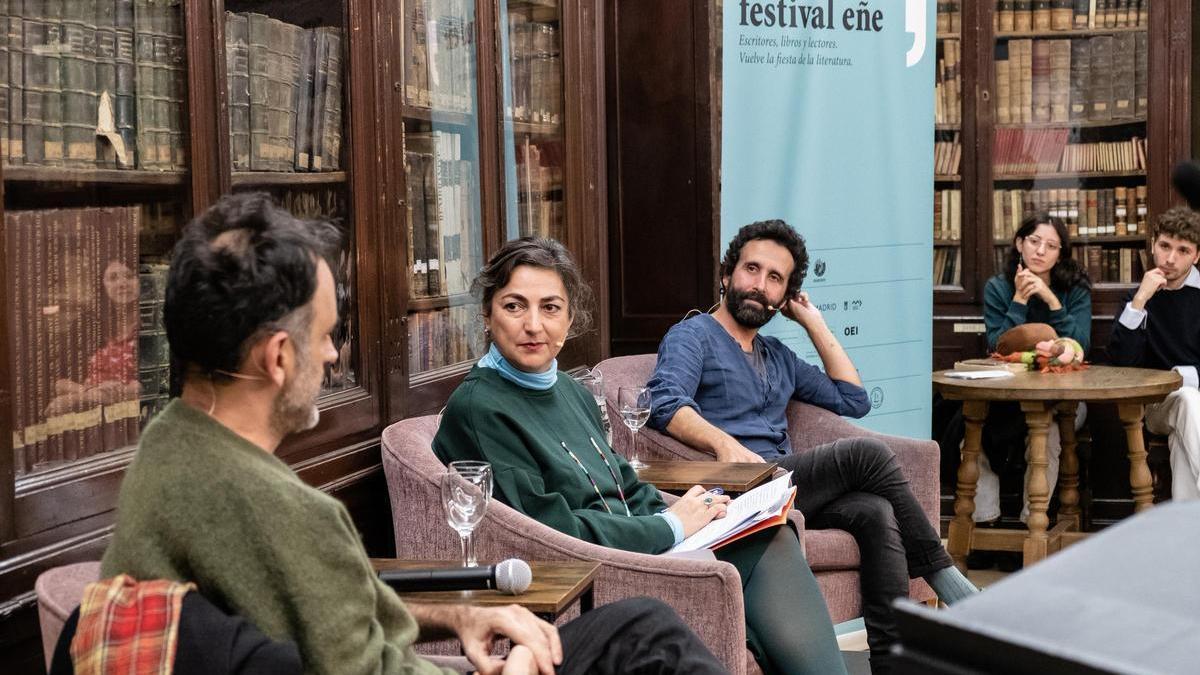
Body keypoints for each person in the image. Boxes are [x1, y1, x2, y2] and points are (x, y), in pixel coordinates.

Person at [101, 193, 727, 675]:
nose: (331, 358)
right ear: (278, 359)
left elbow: (328, 602)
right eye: (325, 336)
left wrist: (451, 611)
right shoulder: (280, 509)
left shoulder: (170, 447)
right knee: (647, 634)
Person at [434, 237, 849, 675]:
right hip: (601, 570)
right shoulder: (479, 407)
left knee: (769, 532)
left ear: (571, 318)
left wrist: (696, 513)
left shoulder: (570, 390)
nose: (533, 325)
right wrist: (669, 526)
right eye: (515, 306)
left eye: (550, 307)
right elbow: (549, 529)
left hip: (645, 546)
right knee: (769, 558)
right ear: (486, 314)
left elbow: (623, 482)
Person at [644, 219, 977, 669]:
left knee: (875, 512)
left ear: (784, 299)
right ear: (727, 275)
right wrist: (724, 446)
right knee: (867, 455)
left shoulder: (776, 355)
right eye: (751, 269)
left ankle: (893, 662)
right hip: (740, 488)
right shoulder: (693, 335)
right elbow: (665, 403)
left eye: (774, 279)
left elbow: (852, 399)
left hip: (787, 481)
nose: (759, 286)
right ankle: (945, 578)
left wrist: (812, 320)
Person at [978, 213, 1092, 532]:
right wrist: (1019, 299)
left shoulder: (1075, 288)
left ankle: (1033, 526)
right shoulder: (998, 287)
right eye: (1034, 242)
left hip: (1066, 398)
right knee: (970, 430)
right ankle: (985, 525)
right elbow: (996, 347)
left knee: (1049, 433)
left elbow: (1082, 345)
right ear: (1019, 244)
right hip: (1008, 397)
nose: (1041, 251)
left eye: (1051, 246)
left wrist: (1050, 299)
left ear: (1060, 254)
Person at [1109, 206, 1200, 500]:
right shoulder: (1138, 297)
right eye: (1164, 246)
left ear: (1196, 256)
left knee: (1183, 446)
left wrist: (1182, 376)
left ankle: (1187, 537)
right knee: (1187, 398)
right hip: (1158, 407)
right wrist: (1139, 301)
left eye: (1183, 250)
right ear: (1153, 245)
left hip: (1192, 414)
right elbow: (1122, 364)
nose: (1170, 259)